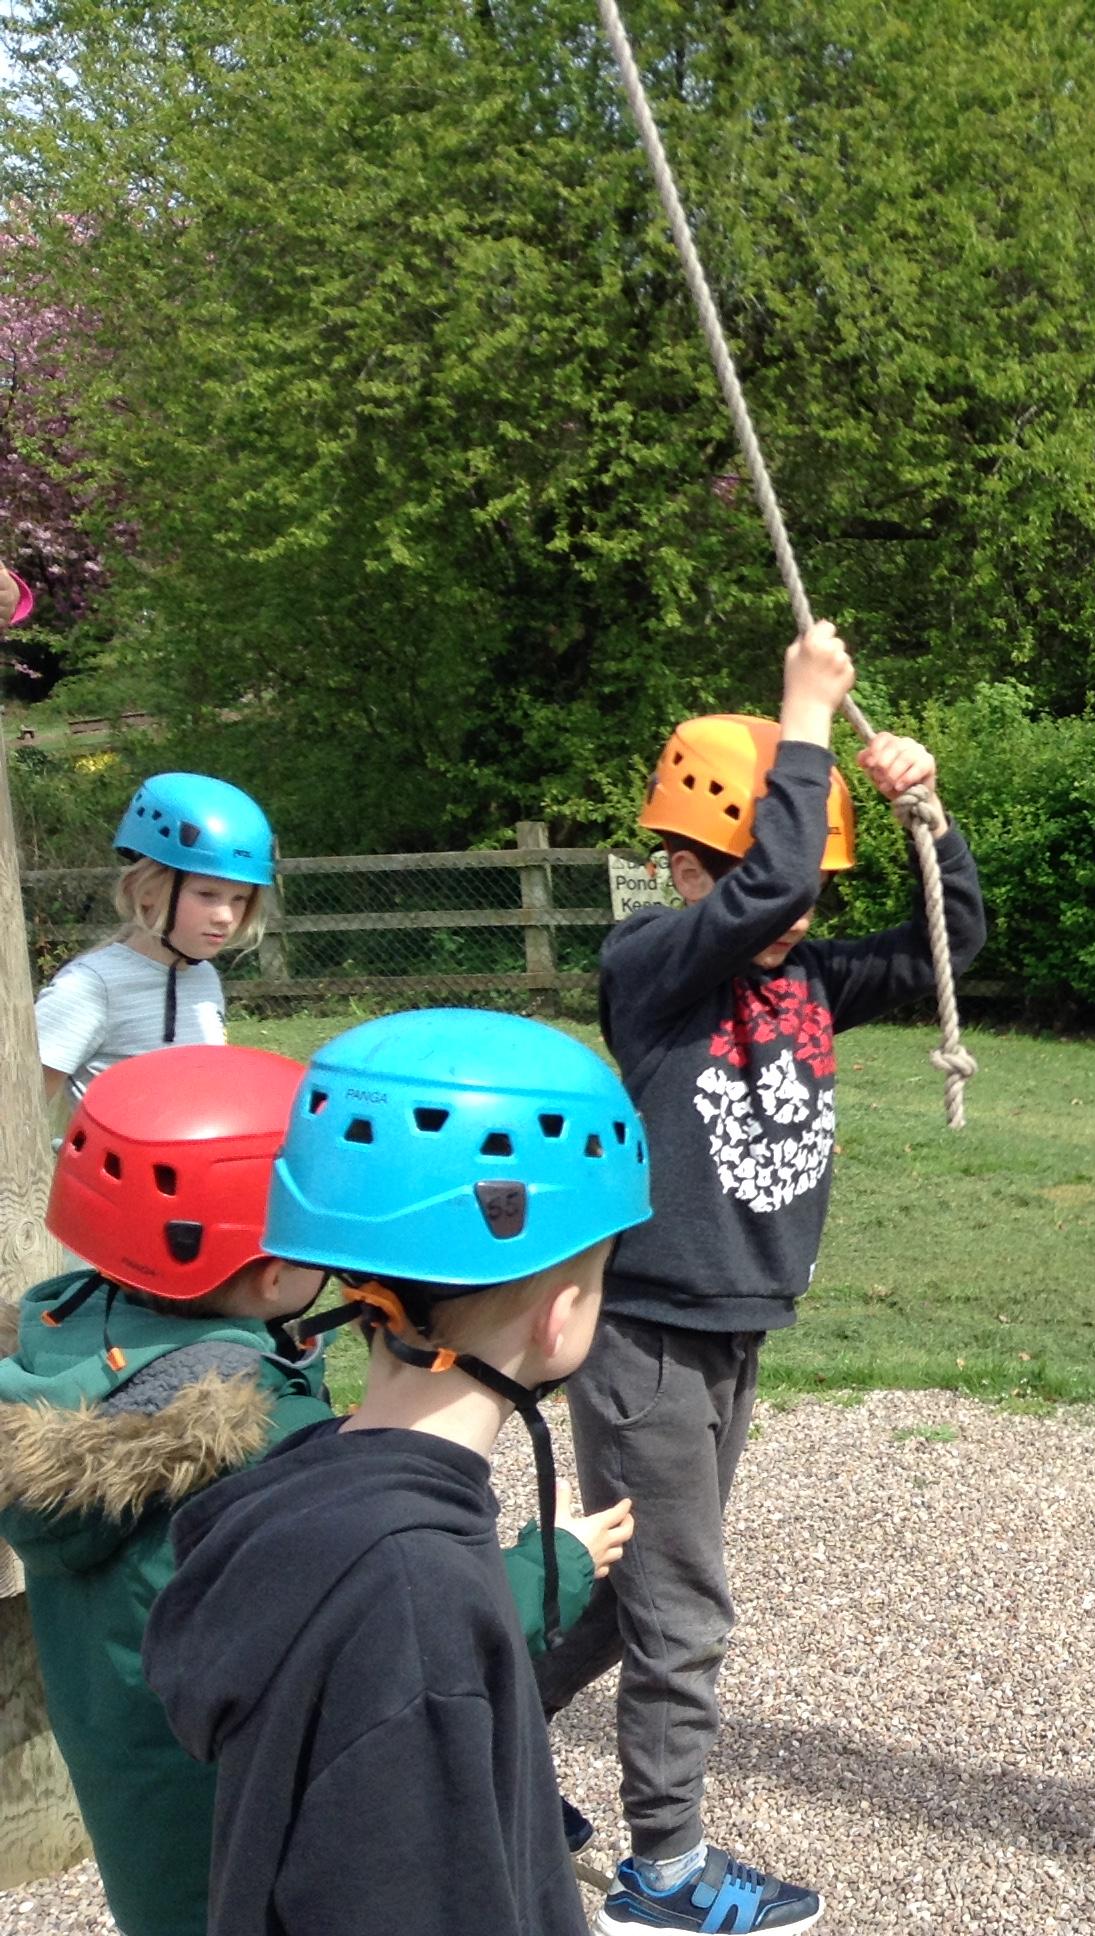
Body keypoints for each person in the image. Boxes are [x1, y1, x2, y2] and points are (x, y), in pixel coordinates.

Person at [535, 620, 984, 1934]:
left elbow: (953, 940)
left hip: (730, 1328)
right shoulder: (650, 970)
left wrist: (927, 815)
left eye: (814, 886)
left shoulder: (816, 979)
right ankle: (663, 1879)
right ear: (684, 869)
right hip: (646, 1336)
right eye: (756, 880)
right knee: (682, 1612)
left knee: (628, 1592)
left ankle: (471, 1737)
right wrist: (807, 714)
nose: (794, 906)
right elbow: (767, 874)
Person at [0, 1042, 625, 1936]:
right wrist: (552, 1563)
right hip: (253, 1834)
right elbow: (391, 1619)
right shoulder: (261, 1438)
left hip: (145, 1820)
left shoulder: (64, 1360)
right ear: (272, 1270)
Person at [36, 773, 276, 1112]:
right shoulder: (89, 988)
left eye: (240, 899)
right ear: (145, 890)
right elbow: (18, 1110)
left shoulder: (204, 977)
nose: (226, 916)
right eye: (207, 894)